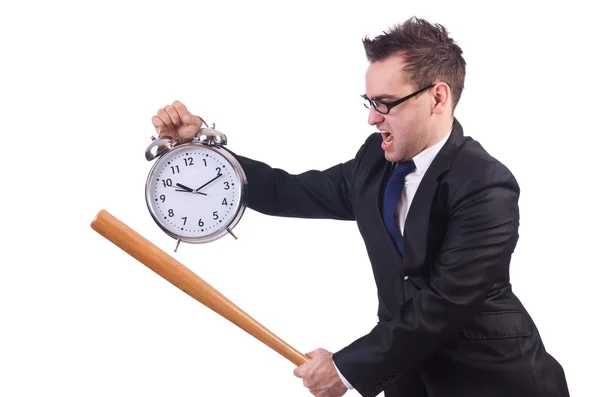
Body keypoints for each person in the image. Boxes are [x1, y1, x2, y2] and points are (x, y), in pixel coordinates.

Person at [150, 17, 569, 397]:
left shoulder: (485, 185)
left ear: (437, 98)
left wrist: (346, 369)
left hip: (495, 383)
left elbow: (444, 305)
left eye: (385, 103)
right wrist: (201, 148)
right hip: (408, 383)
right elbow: (286, 191)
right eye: (369, 102)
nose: (372, 119)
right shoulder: (375, 162)